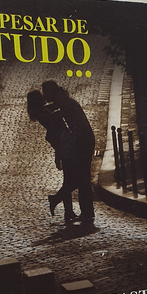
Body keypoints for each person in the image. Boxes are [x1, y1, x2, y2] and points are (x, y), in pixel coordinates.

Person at [42, 81, 95, 223]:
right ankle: (87, 212)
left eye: (46, 93)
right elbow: (58, 108)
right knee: (83, 178)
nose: (45, 96)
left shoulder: (66, 103)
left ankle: (84, 211)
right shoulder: (64, 101)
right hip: (85, 141)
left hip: (84, 143)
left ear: (51, 92)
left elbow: (61, 113)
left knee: (83, 178)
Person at [26, 90, 79, 223]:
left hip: (63, 143)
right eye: (40, 97)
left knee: (68, 180)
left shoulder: (43, 111)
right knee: (73, 180)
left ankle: (68, 211)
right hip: (63, 145)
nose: (43, 98)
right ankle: (57, 200)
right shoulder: (43, 114)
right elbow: (56, 117)